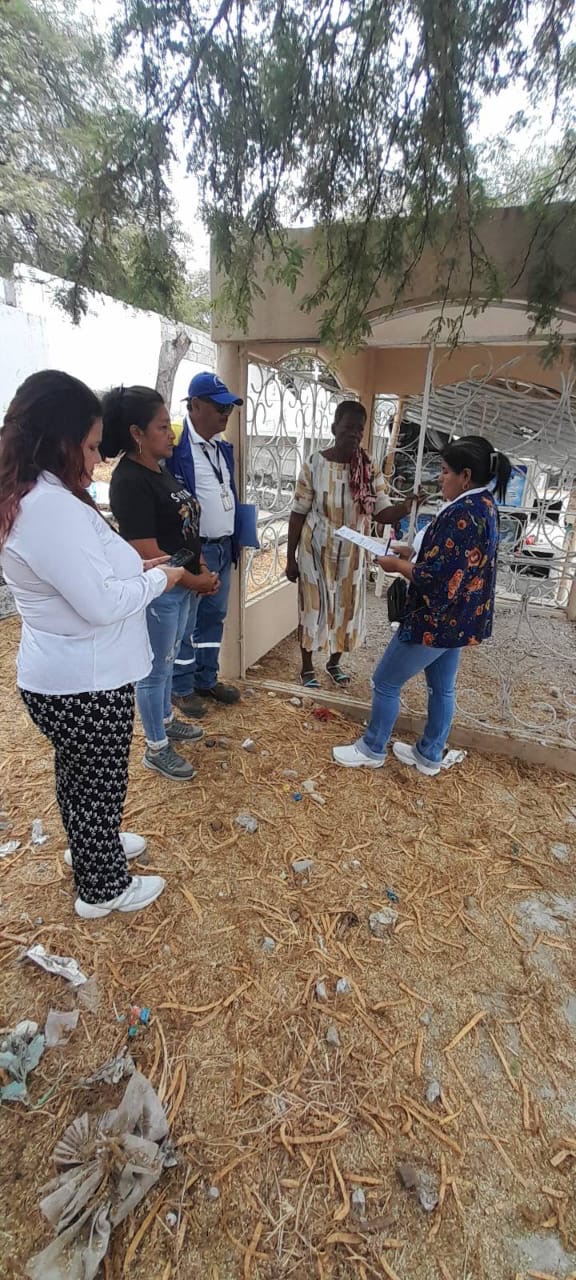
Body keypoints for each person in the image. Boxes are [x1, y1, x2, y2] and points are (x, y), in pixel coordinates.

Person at [0, 370, 184, 919]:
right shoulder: (48, 508)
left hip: (72, 675)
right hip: (84, 682)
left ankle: (92, 846)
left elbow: (84, 572)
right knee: (98, 783)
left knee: (82, 779)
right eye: (87, 446)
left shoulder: (39, 495)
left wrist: (136, 567)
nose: (95, 459)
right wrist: (160, 579)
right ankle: (103, 888)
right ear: (58, 441)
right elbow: (100, 604)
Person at [333, 435, 512, 775]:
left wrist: (397, 566)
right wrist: (412, 552)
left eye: (445, 471)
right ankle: (429, 754)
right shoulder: (484, 504)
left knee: (385, 681)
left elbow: (439, 579)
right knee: (441, 687)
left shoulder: (462, 513)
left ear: (465, 476)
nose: (439, 478)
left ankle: (372, 748)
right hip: (460, 618)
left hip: (435, 618)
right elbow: (457, 559)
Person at [101, 386, 221, 781]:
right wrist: (195, 580)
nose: (172, 433)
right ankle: (155, 747)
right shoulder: (129, 480)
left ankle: (166, 720)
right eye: (162, 426)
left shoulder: (159, 469)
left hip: (182, 584)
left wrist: (202, 568)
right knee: (153, 670)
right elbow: (146, 550)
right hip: (162, 591)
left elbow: (185, 528)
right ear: (137, 433)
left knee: (168, 660)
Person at [286, 400, 420, 687]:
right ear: (334, 428)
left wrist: (405, 507)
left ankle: (334, 664)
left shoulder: (368, 467)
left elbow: (381, 511)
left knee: (346, 610)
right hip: (314, 552)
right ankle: (307, 667)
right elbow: (297, 513)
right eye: (348, 427)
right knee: (312, 608)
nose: (355, 434)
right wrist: (290, 559)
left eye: (360, 429)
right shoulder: (314, 463)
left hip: (352, 554)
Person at [166, 371, 244, 716]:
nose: (227, 414)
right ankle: (181, 688)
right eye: (220, 407)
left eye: (230, 408)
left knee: (214, 616)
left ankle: (205, 678)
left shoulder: (221, 448)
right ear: (195, 406)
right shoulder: (175, 448)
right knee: (186, 621)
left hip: (223, 546)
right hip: (194, 550)